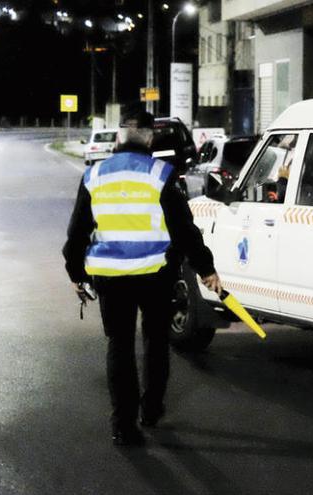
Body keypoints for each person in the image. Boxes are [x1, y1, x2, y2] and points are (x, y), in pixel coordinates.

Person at [62, 105, 221, 447]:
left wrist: (75, 272)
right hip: (155, 275)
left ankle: (124, 425)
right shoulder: (161, 174)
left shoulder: (94, 175)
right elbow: (184, 230)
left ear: (119, 135)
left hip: (110, 276)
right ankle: (150, 409)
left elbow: (77, 232)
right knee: (155, 341)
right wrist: (205, 269)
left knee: (119, 345)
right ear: (150, 137)